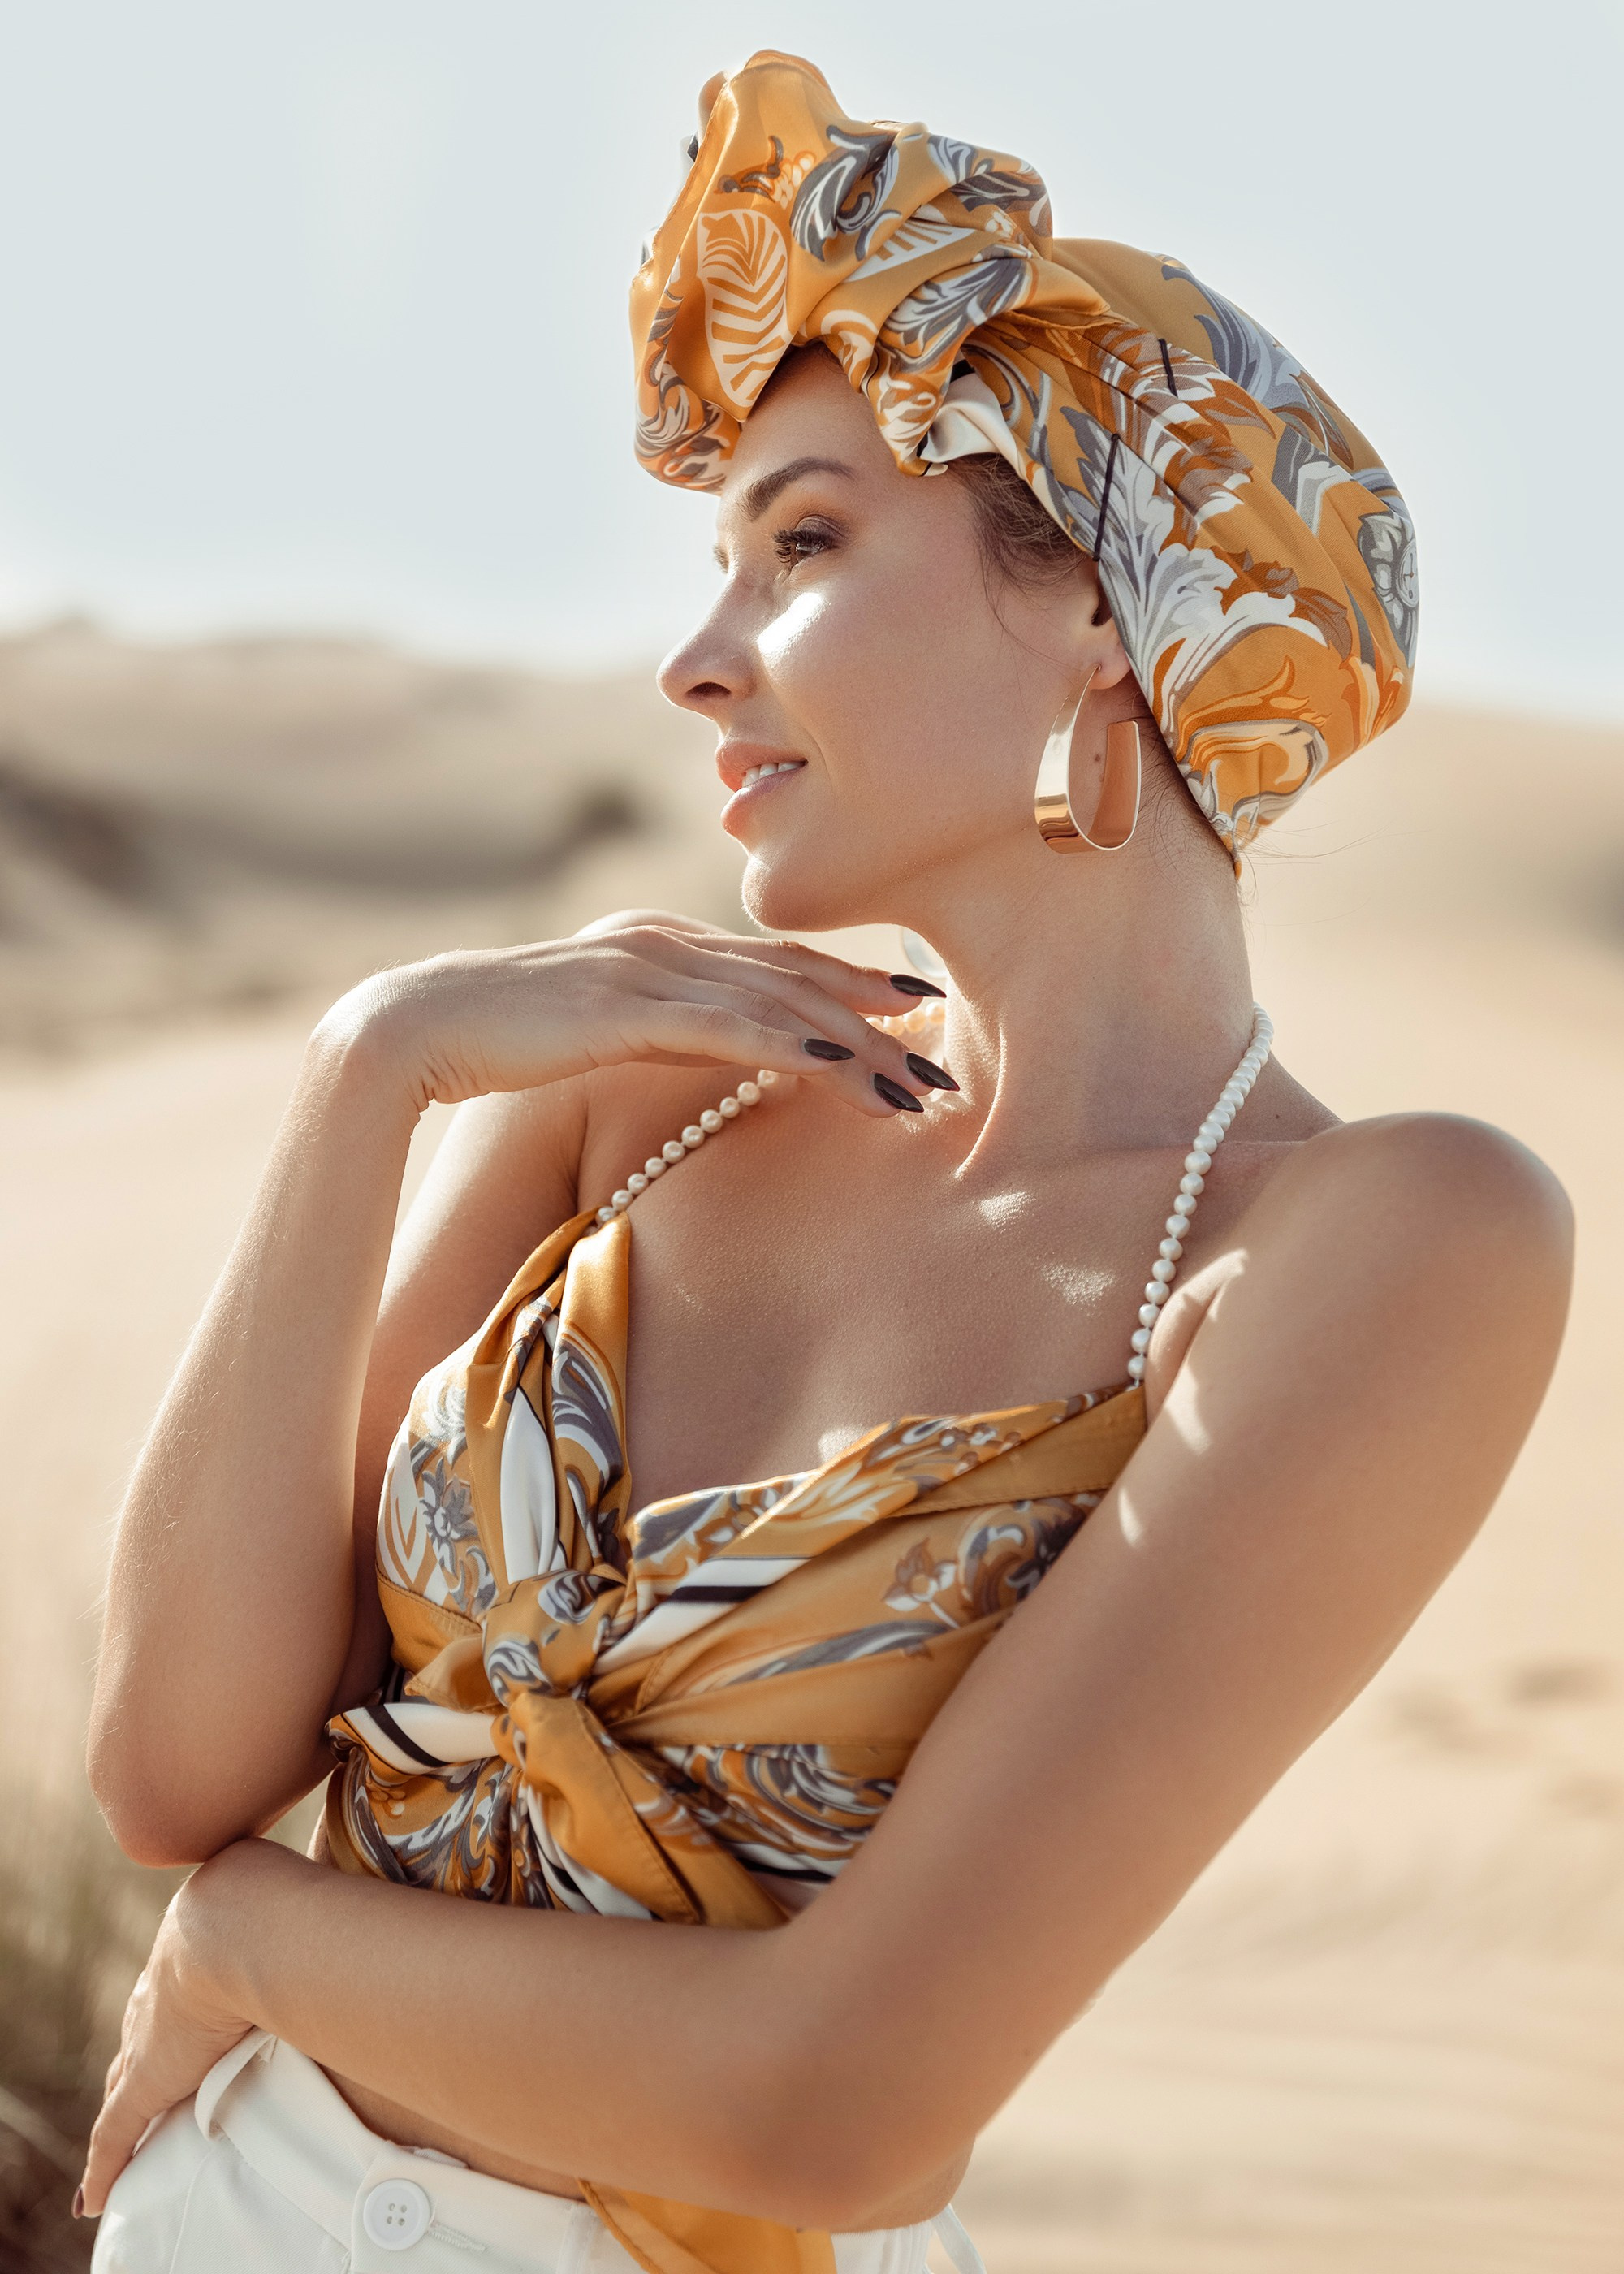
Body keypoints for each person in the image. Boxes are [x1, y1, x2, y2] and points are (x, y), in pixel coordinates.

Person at [79, 50, 1571, 2274]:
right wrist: (365, 1074)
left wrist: (249, 1949)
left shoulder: (1370, 1239)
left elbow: (838, 2115)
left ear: (1105, 602)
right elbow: (172, 1775)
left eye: (803, 543)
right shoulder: (655, 1091)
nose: (698, 663)